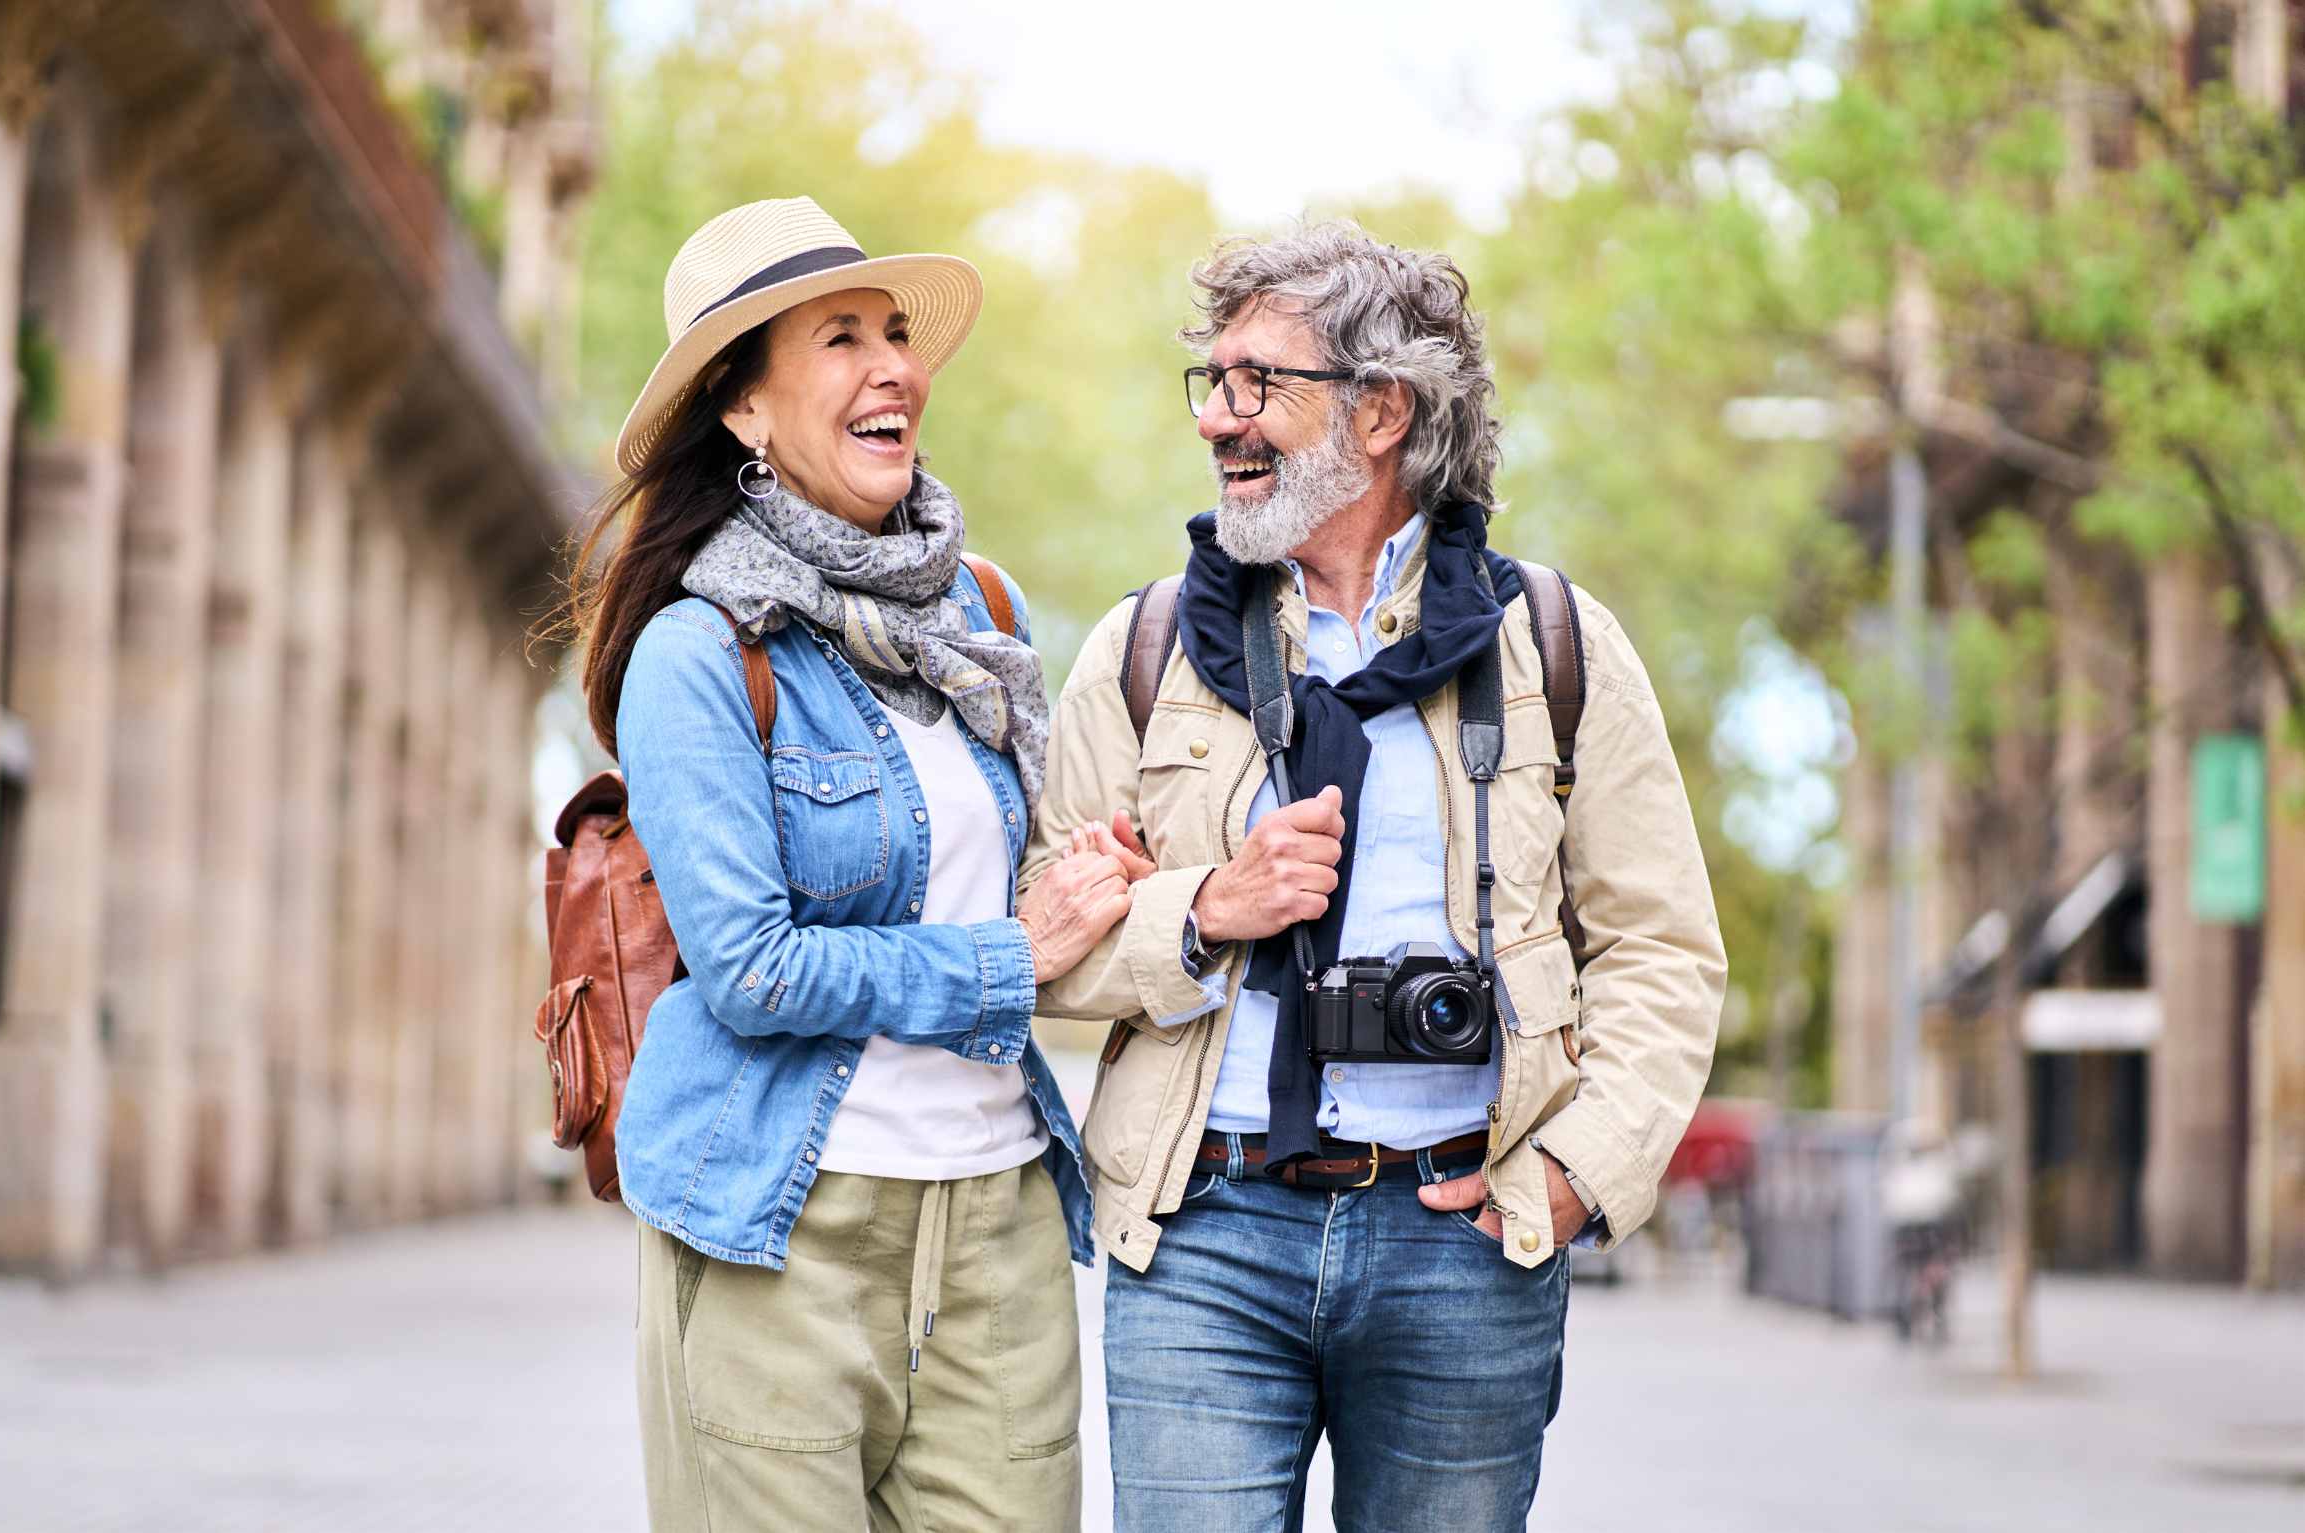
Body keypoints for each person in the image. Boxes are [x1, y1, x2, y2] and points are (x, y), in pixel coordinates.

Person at [1025, 222, 1728, 1531]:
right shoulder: (1141, 649)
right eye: (1212, 381)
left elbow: (1662, 951)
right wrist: (1203, 912)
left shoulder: (1553, 646)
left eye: (1257, 383)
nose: (1218, 419)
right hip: (1201, 1233)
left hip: (1464, 1232)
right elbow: (1038, 952)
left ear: (1383, 410)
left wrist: (1575, 1170)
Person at [564, 197, 1117, 1532]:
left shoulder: (982, 613)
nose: (893, 367)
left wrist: (1112, 880)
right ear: (742, 410)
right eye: (837, 340)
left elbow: (1020, 869)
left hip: (997, 1226)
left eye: (895, 334)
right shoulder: (699, 652)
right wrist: (1013, 954)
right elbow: (749, 968)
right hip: (778, 1229)